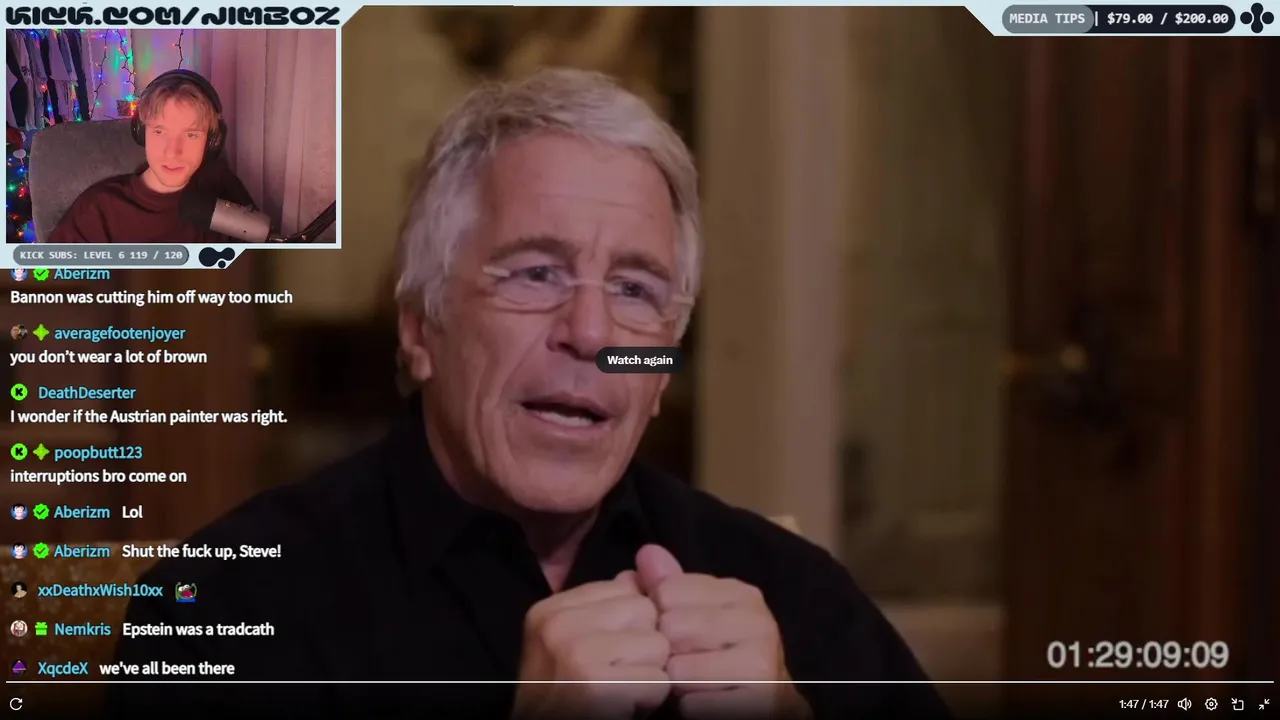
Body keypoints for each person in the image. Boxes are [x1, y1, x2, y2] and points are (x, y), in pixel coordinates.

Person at [110, 69, 950, 719]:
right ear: (420, 327)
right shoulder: (225, 607)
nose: (590, 332)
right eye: (535, 273)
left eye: (635, 290)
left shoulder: (792, 596)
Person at [45, 69, 256, 244]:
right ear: (141, 133)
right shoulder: (98, 209)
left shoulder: (222, 186)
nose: (173, 152)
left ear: (212, 142)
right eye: (159, 132)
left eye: (191, 135)